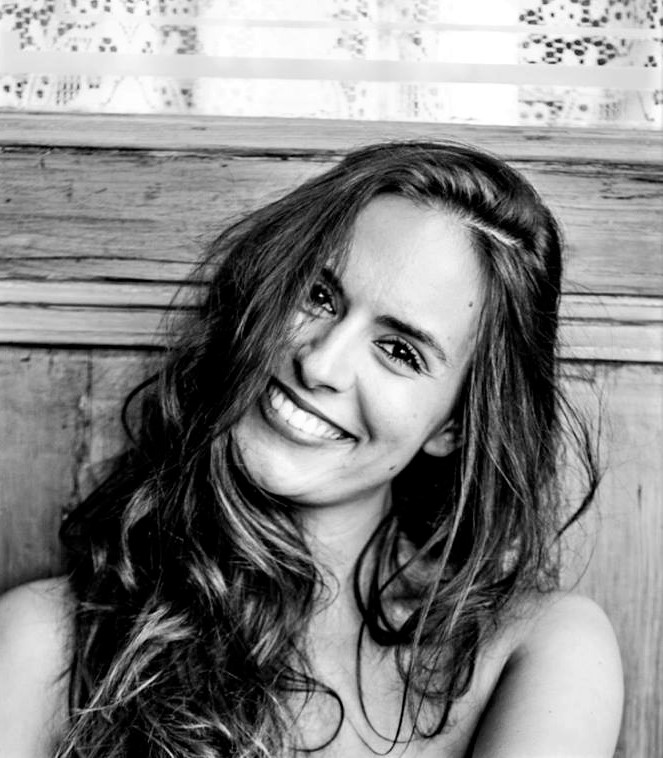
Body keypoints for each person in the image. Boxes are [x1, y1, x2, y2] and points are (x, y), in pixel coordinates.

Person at [0, 141, 623, 757]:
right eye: (317, 296)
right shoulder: (43, 643)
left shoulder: (539, 648)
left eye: (399, 351)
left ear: (454, 426)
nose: (320, 362)